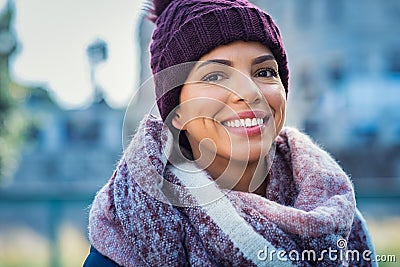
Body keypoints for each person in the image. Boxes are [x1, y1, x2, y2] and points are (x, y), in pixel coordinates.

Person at [83, 0, 376, 266]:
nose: (248, 93)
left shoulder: (336, 211)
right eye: (215, 76)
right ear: (178, 111)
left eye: (264, 72)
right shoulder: (127, 236)